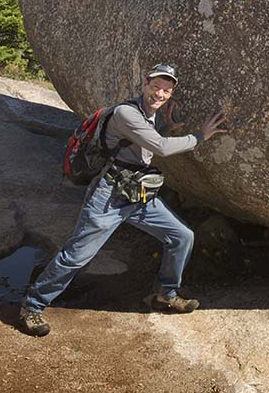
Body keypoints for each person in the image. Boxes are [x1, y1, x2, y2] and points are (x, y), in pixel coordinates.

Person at [19, 62, 227, 336]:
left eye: (166, 90)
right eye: (155, 87)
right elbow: (160, 148)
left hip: (139, 193)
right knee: (78, 256)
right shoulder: (126, 113)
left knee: (182, 236)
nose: (160, 94)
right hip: (109, 195)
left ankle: (166, 293)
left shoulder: (152, 114)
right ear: (145, 83)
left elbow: (144, 143)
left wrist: (166, 125)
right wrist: (201, 135)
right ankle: (32, 306)